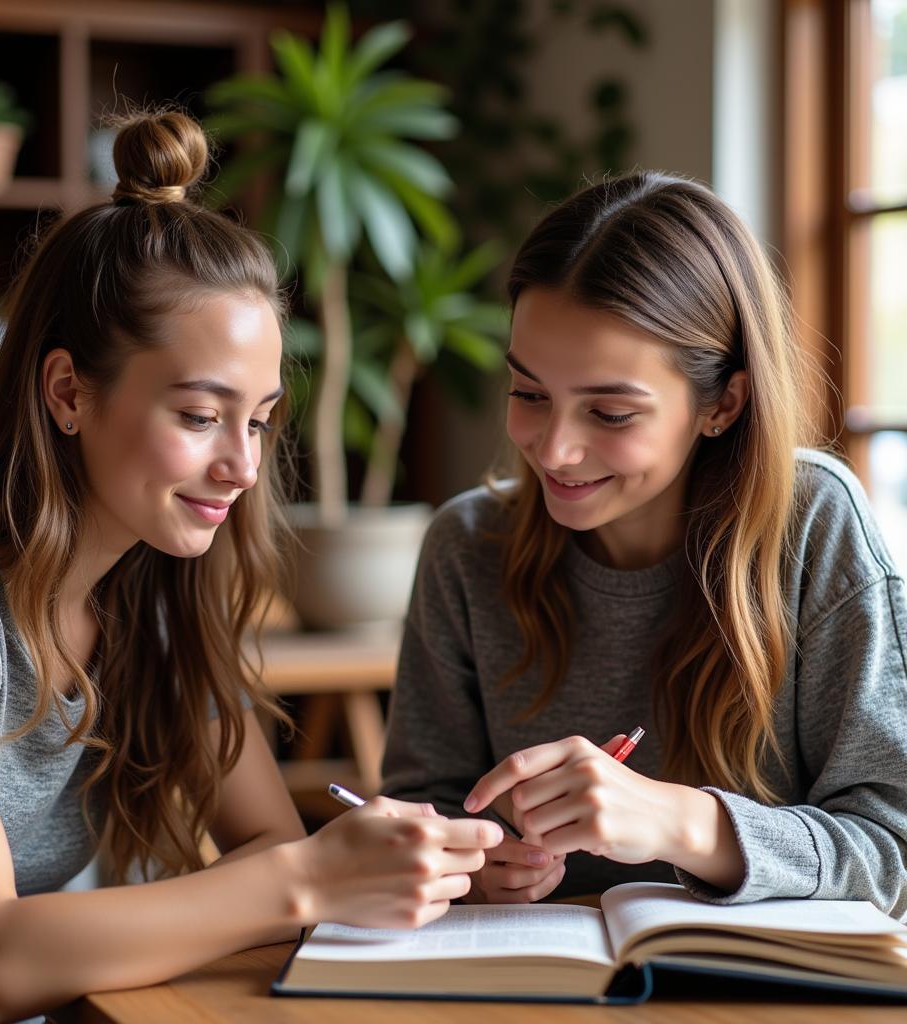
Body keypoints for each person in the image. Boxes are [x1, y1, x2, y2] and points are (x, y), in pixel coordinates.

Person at [0, 111, 501, 1023]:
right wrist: (306, 881)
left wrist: (306, 873)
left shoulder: (146, 597)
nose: (243, 468)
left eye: (255, 420)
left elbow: (264, 838)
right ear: (68, 393)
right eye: (199, 416)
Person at [382, 171, 907, 918]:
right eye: (530, 395)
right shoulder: (466, 548)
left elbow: (896, 851)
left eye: (610, 412)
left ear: (723, 402)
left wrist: (681, 822)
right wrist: (459, 863)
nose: (556, 449)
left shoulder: (813, 525)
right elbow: (415, 815)